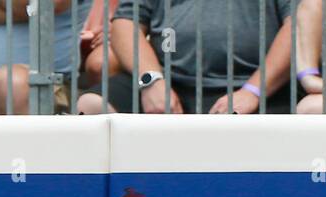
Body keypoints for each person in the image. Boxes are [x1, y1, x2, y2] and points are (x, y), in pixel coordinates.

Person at [75, 0, 294, 114]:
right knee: (90, 106)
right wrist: (151, 81)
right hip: (170, 82)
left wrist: (253, 92)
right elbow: (125, 23)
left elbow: (297, 27)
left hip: (257, 86)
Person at [0, 0, 83, 115]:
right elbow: (32, 9)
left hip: (42, 88)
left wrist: (30, 10)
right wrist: (23, 10)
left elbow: (44, 6)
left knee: (12, 83)